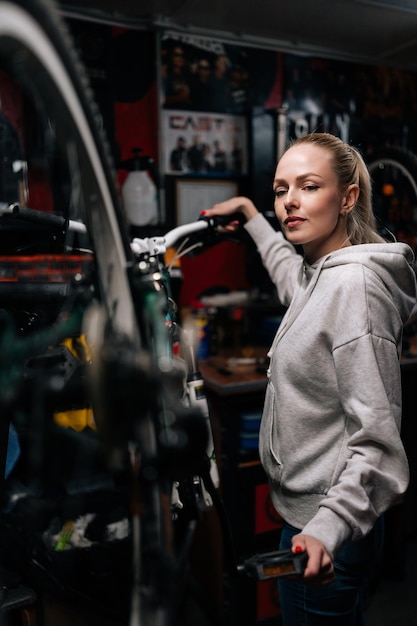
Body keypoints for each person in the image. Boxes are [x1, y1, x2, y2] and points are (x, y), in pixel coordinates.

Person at [202, 132, 417, 625]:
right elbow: (288, 276)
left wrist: (328, 527)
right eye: (280, 190)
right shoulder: (318, 270)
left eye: (308, 186)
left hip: (330, 528)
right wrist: (252, 219)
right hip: (311, 516)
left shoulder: (354, 288)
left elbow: (379, 450)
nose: (289, 201)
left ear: (348, 197)